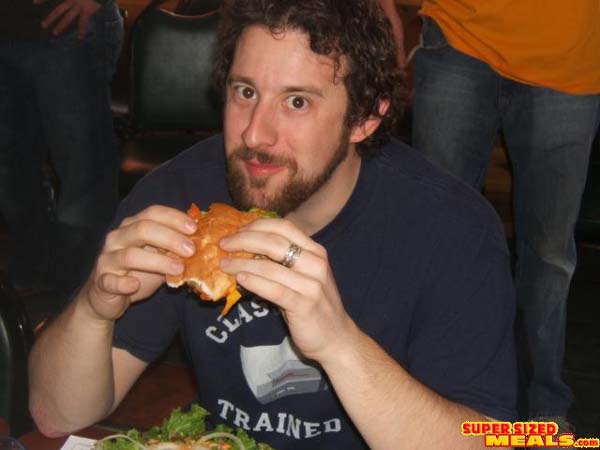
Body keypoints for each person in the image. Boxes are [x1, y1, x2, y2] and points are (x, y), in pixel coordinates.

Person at [28, 1, 517, 448]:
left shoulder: (454, 229)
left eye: (297, 101)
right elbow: (55, 415)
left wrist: (339, 344)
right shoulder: (179, 198)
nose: (254, 133)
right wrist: (95, 309)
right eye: (245, 92)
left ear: (365, 118)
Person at [411, 1, 600, 429]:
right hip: (458, 33)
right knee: (437, 235)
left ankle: (542, 405)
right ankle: (432, 391)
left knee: (549, 254)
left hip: (570, 52)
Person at [0, 0, 123, 299]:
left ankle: (83, 304)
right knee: (11, 180)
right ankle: (34, 301)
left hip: (68, 30)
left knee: (84, 187)